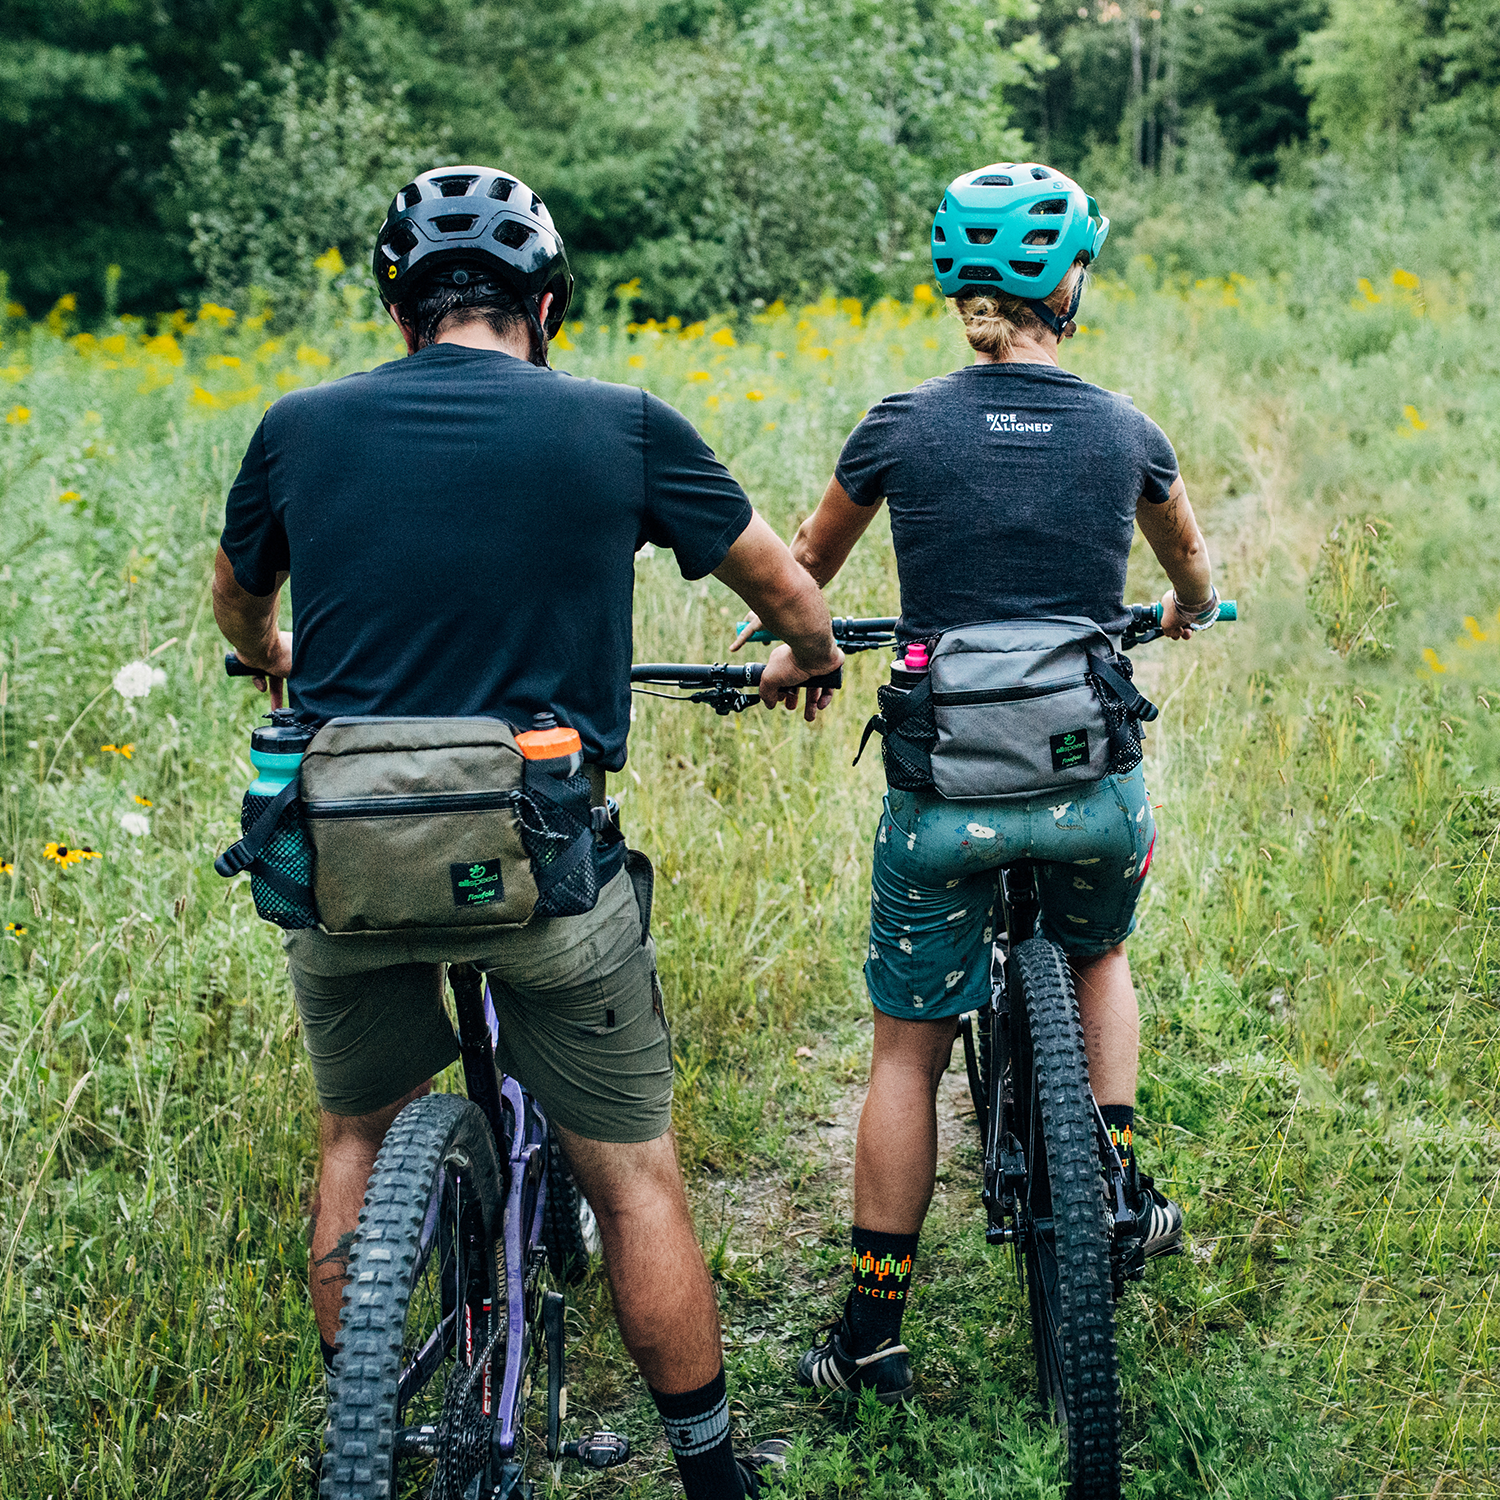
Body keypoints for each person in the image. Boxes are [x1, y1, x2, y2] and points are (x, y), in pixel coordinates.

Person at [211, 163, 843, 1495]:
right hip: (543, 875)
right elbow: (787, 585)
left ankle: (367, 1438)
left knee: (356, 1141)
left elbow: (237, 598)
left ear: (400, 313)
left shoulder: (296, 428)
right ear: (546, 306)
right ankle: (713, 1472)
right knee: (636, 1182)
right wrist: (805, 657)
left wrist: (269, 648)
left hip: (344, 869)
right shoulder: (618, 425)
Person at [734, 162, 1217, 1404]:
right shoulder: (1127, 431)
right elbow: (1195, 581)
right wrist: (1178, 614)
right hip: (1087, 783)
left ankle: (871, 1335)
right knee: (1100, 956)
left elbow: (804, 576)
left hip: (945, 792)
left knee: (907, 1050)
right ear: (1071, 282)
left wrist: (801, 655)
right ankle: (1110, 1180)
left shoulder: (901, 425)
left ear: (958, 286)